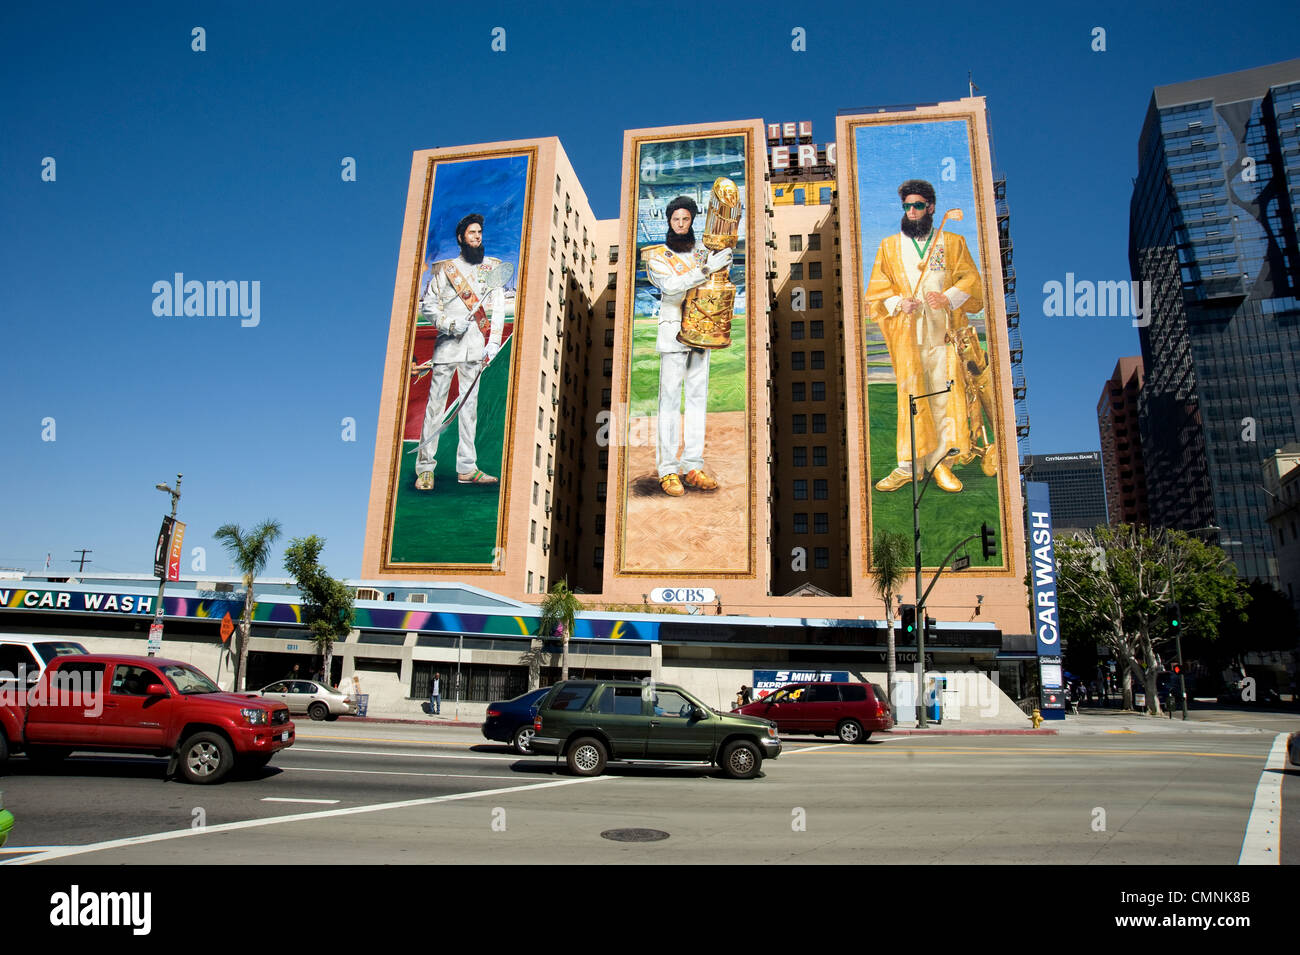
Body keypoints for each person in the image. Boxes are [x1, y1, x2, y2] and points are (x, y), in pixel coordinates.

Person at [865, 179, 983, 494]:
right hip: (909, 336)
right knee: (911, 398)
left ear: (930, 207)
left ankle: (940, 463)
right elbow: (877, 291)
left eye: (918, 205)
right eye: (907, 206)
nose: (913, 211)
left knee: (943, 395)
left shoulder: (952, 242)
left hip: (943, 334)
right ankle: (909, 466)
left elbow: (971, 278)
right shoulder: (889, 247)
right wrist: (898, 303)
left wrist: (949, 297)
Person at [643, 196, 733, 497]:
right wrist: (708, 269)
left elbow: (714, 283)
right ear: (669, 222)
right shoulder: (657, 256)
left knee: (697, 398)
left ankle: (692, 465)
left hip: (703, 331)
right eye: (675, 220)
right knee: (669, 402)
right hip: (673, 334)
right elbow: (670, 286)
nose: (680, 225)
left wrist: (722, 265)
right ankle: (668, 470)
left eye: (685, 219)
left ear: (692, 220)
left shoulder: (701, 254)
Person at [413, 213, 506, 492]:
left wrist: (492, 344)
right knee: (435, 410)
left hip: (476, 349)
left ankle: (467, 468)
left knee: (469, 411)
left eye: (479, 232)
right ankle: (425, 469)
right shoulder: (446, 271)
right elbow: (429, 306)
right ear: (461, 238)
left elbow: (499, 308)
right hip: (447, 347)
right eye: (472, 233)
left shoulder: (490, 269)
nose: (477, 237)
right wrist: (450, 324)